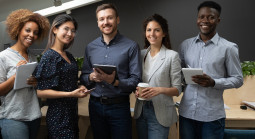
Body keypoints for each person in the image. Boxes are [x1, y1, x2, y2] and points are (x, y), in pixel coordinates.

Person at [178, 1, 243, 139]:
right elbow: (180, 75)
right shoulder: (185, 45)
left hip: (212, 117)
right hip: (186, 113)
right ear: (197, 19)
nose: (205, 21)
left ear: (218, 20)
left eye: (210, 17)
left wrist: (214, 82)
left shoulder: (229, 48)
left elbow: (238, 79)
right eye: (201, 17)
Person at [80, 3, 142, 139]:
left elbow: (135, 80)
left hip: (119, 107)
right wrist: (91, 77)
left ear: (117, 20)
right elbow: (83, 78)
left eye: (110, 18)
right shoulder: (90, 47)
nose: (106, 22)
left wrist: (114, 81)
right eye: (102, 19)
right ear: (98, 23)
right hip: (95, 106)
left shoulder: (131, 46)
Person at [0, 9, 50, 139]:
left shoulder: (33, 58)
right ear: (18, 30)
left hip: (34, 116)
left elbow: (35, 88)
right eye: (27, 30)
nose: (31, 35)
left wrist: (35, 83)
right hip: (13, 118)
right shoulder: (2, 58)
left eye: (35, 33)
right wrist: (15, 76)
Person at [34, 14, 89, 139]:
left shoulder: (69, 56)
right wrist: (70, 94)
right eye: (66, 29)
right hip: (58, 115)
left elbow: (69, 82)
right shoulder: (49, 57)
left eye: (73, 31)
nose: (70, 33)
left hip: (72, 113)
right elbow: (41, 92)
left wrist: (80, 87)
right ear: (55, 29)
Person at [133, 14, 182, 139]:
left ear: (164, 33)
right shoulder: (140, 55)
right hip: (141, 110)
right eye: (149, 30)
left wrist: (159, 90)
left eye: (157, 30)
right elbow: (135, 80)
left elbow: (177, 89)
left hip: (160, 112)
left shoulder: (172, 56)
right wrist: (136, 91)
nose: (152, 34)